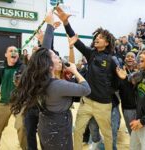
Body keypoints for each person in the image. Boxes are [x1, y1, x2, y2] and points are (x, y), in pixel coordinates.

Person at [56, 6, 120, 150]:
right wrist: (66, 23)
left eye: (101, 37)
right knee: (77, 131)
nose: (97, 38)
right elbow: (75, 40)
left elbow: (116, 84)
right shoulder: (91, 53)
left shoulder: (112, 60)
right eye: (97, 36)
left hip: (103, 105)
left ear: (107, 43)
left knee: (108, 135)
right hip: (86, 102)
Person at [10, 47, 91, 150]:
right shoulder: (58, 85)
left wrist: (50, 30)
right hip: (58, 132)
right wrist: (75, 71)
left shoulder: (38, 81)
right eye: (56, 56)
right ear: (49, 65)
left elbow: (43, 52)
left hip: (46, 127)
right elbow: (86, 89)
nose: (59, 58)